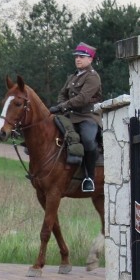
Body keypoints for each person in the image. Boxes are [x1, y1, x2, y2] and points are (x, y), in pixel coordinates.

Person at [49, 42, 103, 192]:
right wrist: (62, 106)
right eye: (76, 57)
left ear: (90, 59)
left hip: (88, 116)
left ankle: (89, 178)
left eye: (82, 56)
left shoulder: (93, 77)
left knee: (88, 141)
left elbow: (83, 98)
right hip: (71, 115)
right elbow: (62, 94)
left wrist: (61, 107)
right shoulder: (73, 76)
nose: (78, 59)